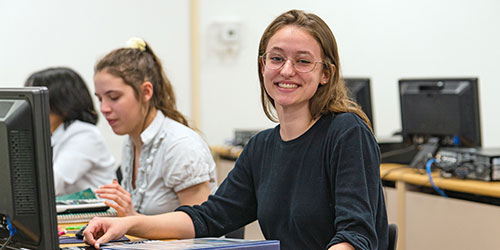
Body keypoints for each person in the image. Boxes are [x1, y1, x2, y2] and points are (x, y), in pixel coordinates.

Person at [84, 10, 389, 250]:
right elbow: (208, 217)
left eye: (303, 61)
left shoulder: (346, 132)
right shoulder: (261, 148)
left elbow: (355, 236)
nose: (286, 70)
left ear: (326, 73)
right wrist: (129, 225)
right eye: (277, 58)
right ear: (262, 66)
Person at [92, 37, 218, 217]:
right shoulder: (131, 141)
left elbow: (200, 230)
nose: (103, 108)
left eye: (113, 97)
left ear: (146, 92)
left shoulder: (180, 146)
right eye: (100, 98)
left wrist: (132, 220)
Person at [25, 67, 116, 196]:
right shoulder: (53, 135)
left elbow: (51, 185)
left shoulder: (85, 135)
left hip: (98, 214)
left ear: (62, 103)